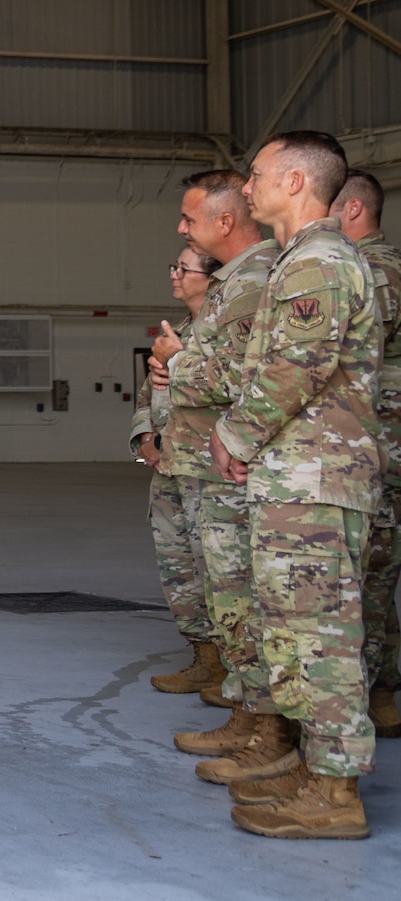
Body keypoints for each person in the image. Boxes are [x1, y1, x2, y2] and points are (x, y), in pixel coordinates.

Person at [206, 132, 381, 839]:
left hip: (317, 479)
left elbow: (294, 370)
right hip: (297, 476)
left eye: (257, 176)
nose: (248, 189)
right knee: (294, 632)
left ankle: (336, 791)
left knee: (321, 636)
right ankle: (315, 766)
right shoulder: (298, 261)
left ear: (298, 181)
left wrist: (234, 435)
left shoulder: (320, 264)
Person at [150, 171, 278, 760]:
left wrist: (177, 364)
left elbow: (237, 380)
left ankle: (262, 726)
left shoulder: (254, 281)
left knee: (243, 600)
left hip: (228, 466)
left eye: (189, 217)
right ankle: (247, 712)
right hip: (200, 457)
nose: (181, 227)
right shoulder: (236, 282)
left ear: (223, 222)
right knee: (225, 596)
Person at [131, 245, 220, 693]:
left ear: (212, 276)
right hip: (167, 468)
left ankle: (238, 673)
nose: (174, 275)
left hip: (209, 468)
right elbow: (147, 394)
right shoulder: (177, 331)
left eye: (183, 269)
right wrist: (145, 439)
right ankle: (205, 659)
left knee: (218, 567)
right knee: (178, 565)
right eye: (174, 267)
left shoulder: (223, 331)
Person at [332, 170, 401, 740]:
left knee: (371, 573)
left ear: (352, 209)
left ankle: (374, 690)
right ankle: (381, 686)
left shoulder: (371, 270)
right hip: (379, 439)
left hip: (382, 443)